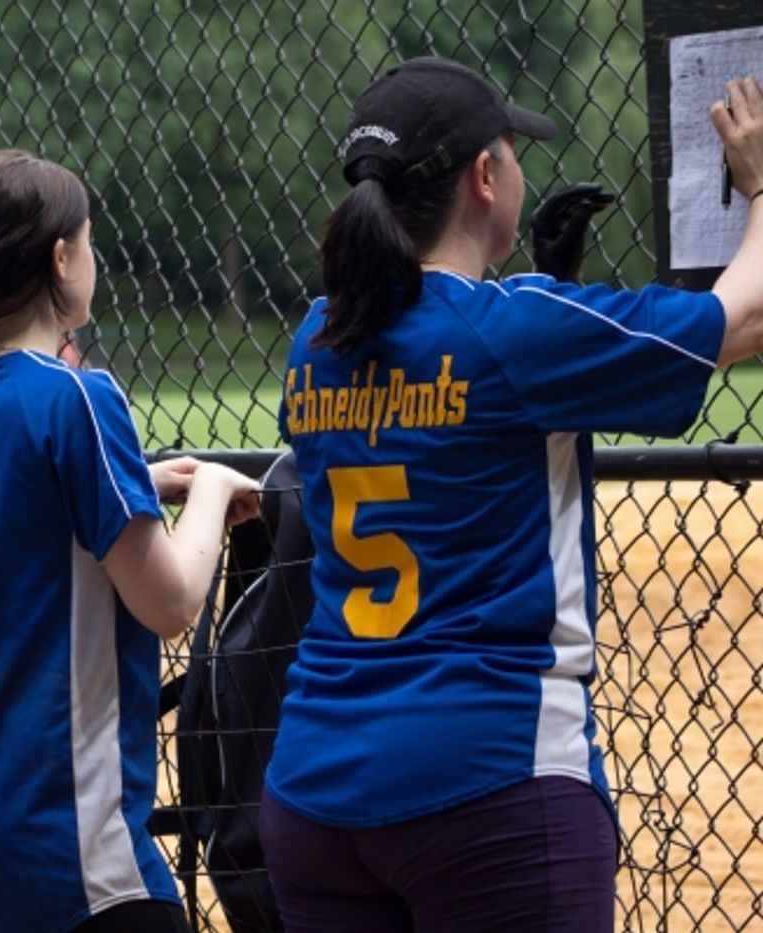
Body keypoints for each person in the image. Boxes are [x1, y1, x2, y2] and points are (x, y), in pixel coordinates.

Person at [258, 58, 763, 931]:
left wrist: (550, 287)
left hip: (314, 787)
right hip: (487, 783)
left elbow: (444, 376)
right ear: (485, 177)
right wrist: (758, 181)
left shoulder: (319, 334)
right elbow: (743, 317)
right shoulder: (516, 327)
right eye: (512, 151)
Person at [0, 149, 261, 933]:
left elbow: (19, 513)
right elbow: (170, 602)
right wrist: (212, 489)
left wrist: (134, 482)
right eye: (89, 241)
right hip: (66, 834)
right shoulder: (78, 395)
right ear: (62, 258)